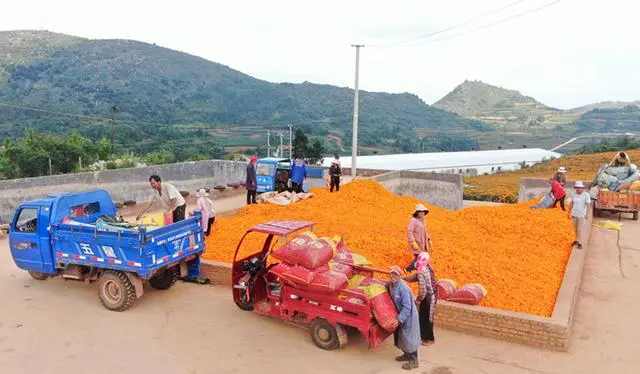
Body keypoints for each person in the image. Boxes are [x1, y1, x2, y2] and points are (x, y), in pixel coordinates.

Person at [388, 265, 421, 370]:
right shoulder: (391, 285)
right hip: (401, 313)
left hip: (409, 315)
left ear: (399, 276)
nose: (393, 276)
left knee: (410, 338)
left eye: (395, 274)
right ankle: (406, 355)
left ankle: (414, 360)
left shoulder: (403, 288)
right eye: (391, 274)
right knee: (402, 337)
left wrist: (399, 319)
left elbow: (407, 307)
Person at [404, 252, 438, 346]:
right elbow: (415, 277)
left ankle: (429, 339)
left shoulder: (421, 271)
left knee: (426, 318)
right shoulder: (428, 267)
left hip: (428, 297)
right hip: (431, 295)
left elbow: (423, 290)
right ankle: (423, 336)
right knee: (423, 317)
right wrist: (405, 278)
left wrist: (418, 300)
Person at [405, 204, 430, 272]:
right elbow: (410, 231)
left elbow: (425, 231)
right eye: (420, 211)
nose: (422, 213)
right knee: (419, 257)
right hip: (417, 243)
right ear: (417, 212)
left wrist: (428, 239)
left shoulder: (423, 221)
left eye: (423, 211)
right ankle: (407, 269)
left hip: (424, 243)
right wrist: (413, 242)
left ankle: (418, 269)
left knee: (422, 257)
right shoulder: (413, 220)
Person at [567, 181, 591, 249]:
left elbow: (588, 204)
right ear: (575, 188)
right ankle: (576, 240)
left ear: (582, 188)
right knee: (575, 228)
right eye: (577, 188)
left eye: (580, 188)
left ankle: (580, 242)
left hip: (581, 214)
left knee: (579, 229)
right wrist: (568, 213)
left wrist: (587, 214)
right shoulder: (573, 194)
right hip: (574, 214)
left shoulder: (586, 195)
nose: (578, 189)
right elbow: (572, 203)